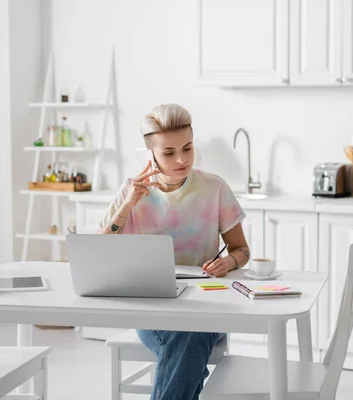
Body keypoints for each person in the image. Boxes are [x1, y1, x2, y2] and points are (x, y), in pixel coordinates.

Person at [97, 103, 250, 400]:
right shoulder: (132, 191)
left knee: (190, 335)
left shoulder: (213, 188)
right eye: (169, 152)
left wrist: (228, 262)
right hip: (153, 309)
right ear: (150, 153)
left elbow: (241, 249)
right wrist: (128, 205)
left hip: (207, 305)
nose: (182, 160)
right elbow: (100, 249)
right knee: (189, 339)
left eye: (188, 148)